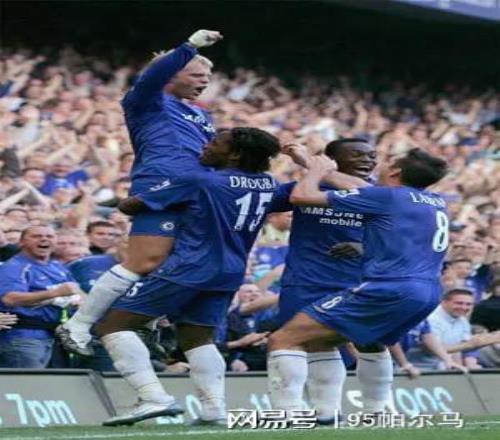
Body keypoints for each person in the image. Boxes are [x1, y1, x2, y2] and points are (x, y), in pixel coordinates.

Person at [94, 127, 280, 426]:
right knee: (197, 338)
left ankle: (153, 396)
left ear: (234, 154)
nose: (205, 146)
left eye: (215, 143)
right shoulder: (269, 184)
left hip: (190, 266)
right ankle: (213, 409)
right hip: (231, 271)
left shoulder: (201, 179)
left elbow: (130, 206)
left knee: (112, 325)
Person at [57, 29, 223, 355]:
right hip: (160, 188)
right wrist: (189, 46)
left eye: (208, 76)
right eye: (196, 75)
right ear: (170, 73)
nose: (204, 81)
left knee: (176, 263)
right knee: (144, 260)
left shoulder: (201, 114)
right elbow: (152, 77)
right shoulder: (146, 101)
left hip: (199, 192)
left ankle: (145, 323)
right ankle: (78, 324)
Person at [267, 148, 449, 416]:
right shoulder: (434, 200)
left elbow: (301, 196)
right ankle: (375, 412)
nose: (378, 166)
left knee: (284, 339)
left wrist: (314, 170)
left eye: (387, 162)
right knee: (370, 342)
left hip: (391, 286)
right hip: (428, 291)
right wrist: (310, 161)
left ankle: (287, 414)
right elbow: (358, 186)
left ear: (396, 172)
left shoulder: (387, 197)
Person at [267, 138, 377, 422]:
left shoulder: (379, 194)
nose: (368, 161)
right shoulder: (305, 187)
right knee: (317, 343)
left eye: (371, 156)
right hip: (304, 279)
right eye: (358, 155)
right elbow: (258, 203)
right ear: (332, 160)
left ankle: (287, 411)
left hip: (354, 282)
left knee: (289, 340)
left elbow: (405, 237)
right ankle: (327, 412)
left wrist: (366, 247)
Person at [0, 225, 83, 367]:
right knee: (26, 380)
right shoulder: (14, 267)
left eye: (49, 236)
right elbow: (10, 299)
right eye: (36, 236)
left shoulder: (57, 267)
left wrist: (77, 299)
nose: (44, 239)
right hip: (23, 336)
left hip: (52, 335)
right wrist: (55, 293)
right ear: (22, 242)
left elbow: (76, 292)